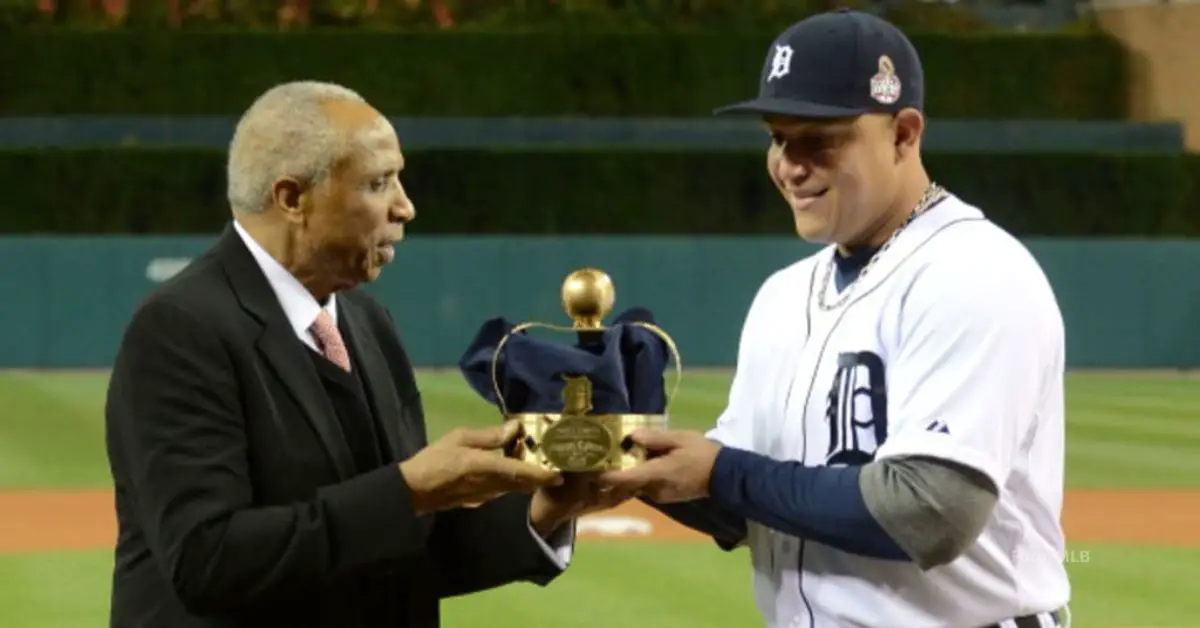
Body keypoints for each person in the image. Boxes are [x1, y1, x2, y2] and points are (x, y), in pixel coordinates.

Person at [598, 10, 1072, 628]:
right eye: (776, 137)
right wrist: (619, 447)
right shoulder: (782, 295)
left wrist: (720, 472)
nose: (790, 166)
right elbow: (746, 504)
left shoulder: (974, 272)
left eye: (818, 140)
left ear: (904, 134)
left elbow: (930, 511)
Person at [103, 81, 592, 628]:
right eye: (379, 182)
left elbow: (399, 549)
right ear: (292, 199)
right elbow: (207, 561)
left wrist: (550, 506)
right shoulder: (180, 327)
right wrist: (409, 490)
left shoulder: (365, 321)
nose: (405, 206)